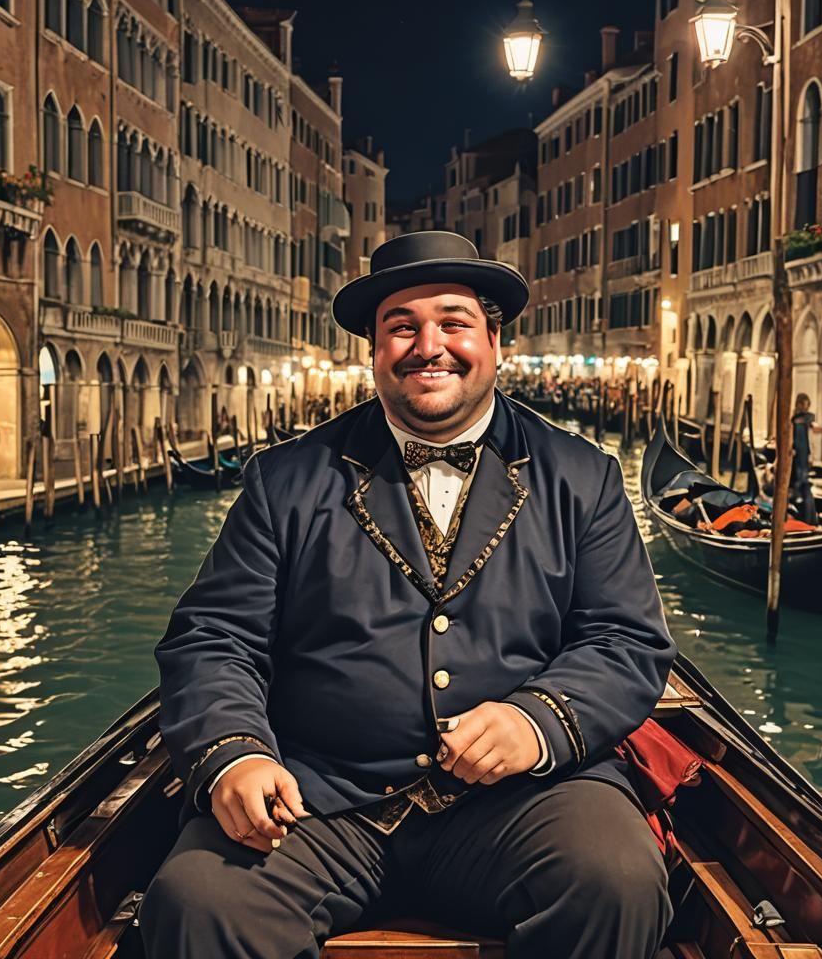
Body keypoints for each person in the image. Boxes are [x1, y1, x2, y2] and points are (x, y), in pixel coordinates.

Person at [143, 231, 676, 959]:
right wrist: (236, 755)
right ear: (375, 351)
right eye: (403, 326)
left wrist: (537, 721)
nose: (430, 345)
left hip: (522, 804)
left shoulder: (582, 477)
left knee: (615, 878)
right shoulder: (286, 480)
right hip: (320, 802)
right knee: (198, 899)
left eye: (454, 322)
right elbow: (214, 639)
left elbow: (625, 640)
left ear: (495, 342)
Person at [791, 393, 818, 525]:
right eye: (805, 404)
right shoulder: (796, 419)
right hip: (798, 455)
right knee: (800, 483)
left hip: (803, 454)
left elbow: (811, 419)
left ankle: (809, 519)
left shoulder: (805, 419)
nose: (806, 407)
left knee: (803, 483)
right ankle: (805, 518)